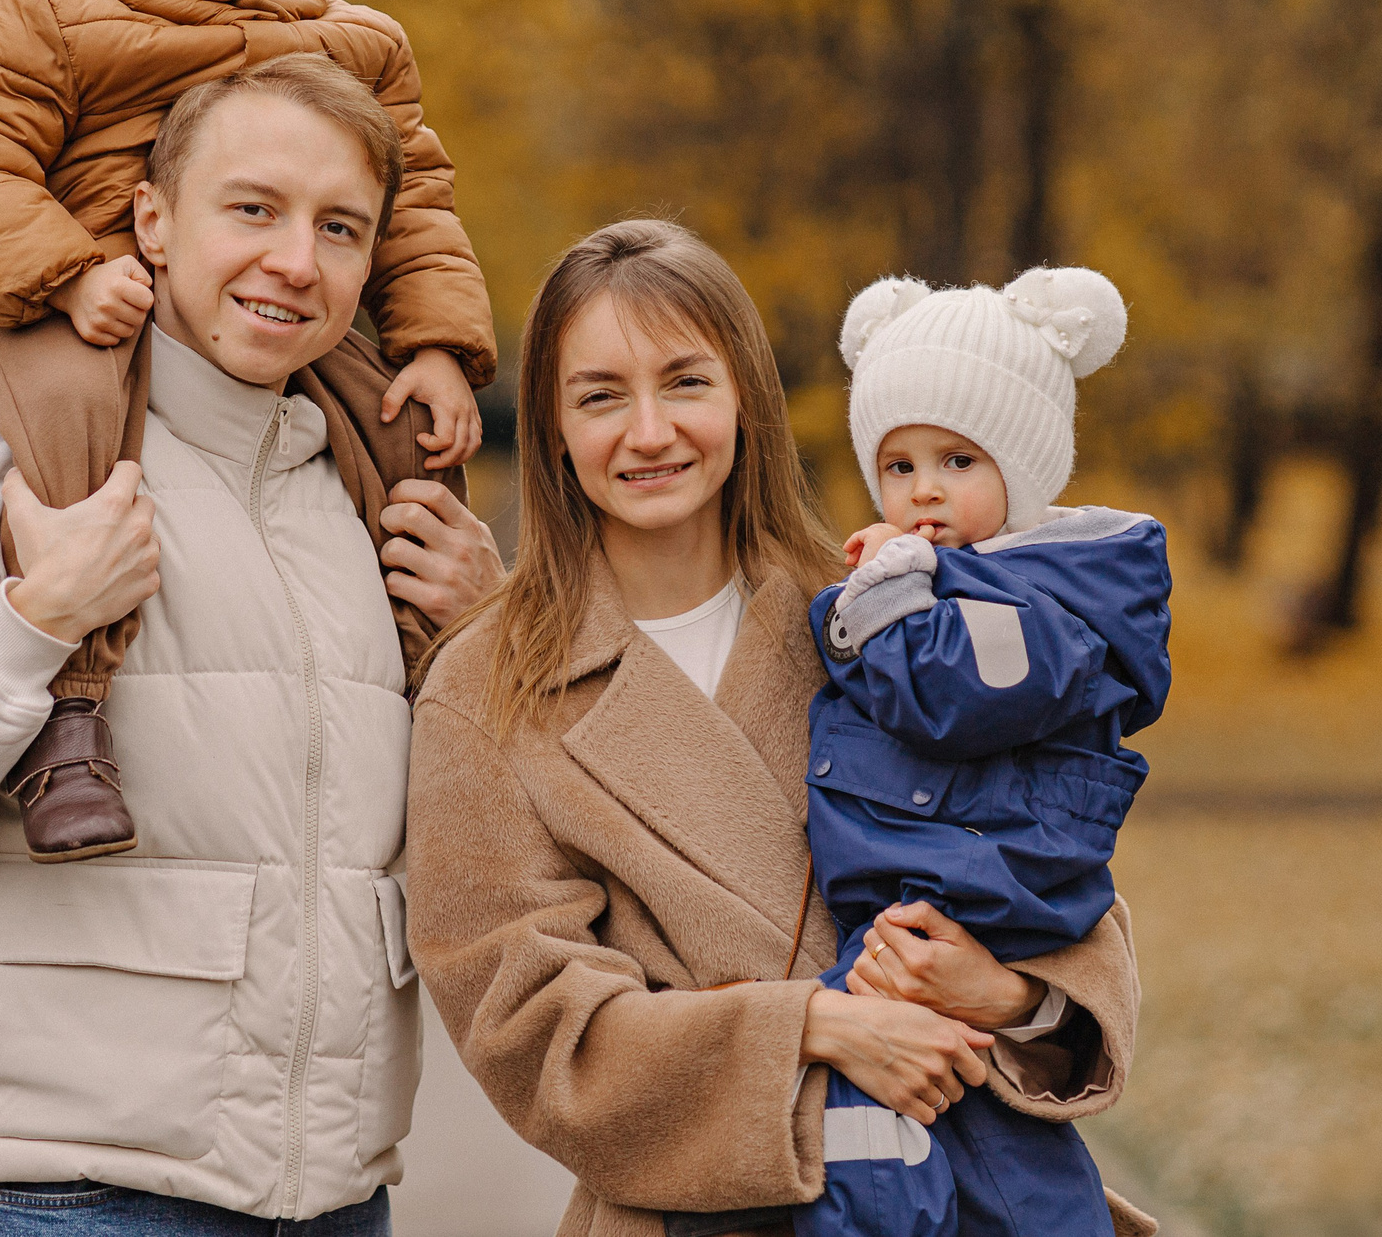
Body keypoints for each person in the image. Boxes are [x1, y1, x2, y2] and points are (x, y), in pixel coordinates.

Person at [0, 57, 504, 1232]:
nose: (294, 262)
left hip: (334, 1197)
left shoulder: (378, 497)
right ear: (153, 223)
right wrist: (36, 621)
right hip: (74, 1192)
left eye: (339, 228)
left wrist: (493, 639)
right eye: (253, 209)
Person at [405, 220, 1154, 1237]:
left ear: (746, 398)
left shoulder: (883, 622)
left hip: (974, 1189)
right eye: (599, 396)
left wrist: (1005, 993)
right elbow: (530, 1032)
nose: (649, 431)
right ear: (549, 426)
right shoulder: (487, 690)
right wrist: (815, 1030)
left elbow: (1060, 872)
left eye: (684, 382)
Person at [0, 0, 497, 861]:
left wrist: (435, 340)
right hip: (67, 304)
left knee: (405, 430)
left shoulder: (349, 47)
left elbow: (411, 192)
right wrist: (67, 273)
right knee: (73, 411)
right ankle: (72, 714)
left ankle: (435, 677)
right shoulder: (47, 13)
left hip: (256, 327)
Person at [799, 269, 1173, 1237]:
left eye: (958, 460)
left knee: (871, 1118)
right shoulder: (960, 580)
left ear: (1024, 462)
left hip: (973, 890)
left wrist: (884, 591)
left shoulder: (1052, 606)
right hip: (934, 896)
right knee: (979, 1139)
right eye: (897, 464)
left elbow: (950, 700)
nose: (922, 489)